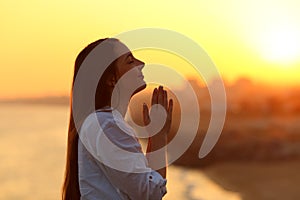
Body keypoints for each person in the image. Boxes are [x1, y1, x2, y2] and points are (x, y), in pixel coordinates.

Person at [62, 38, 173, 200]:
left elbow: (142, 183)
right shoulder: (106, 125)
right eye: (130, 61)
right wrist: (158, 137)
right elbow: (150, 193)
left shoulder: (101, 122)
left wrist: (155, 136)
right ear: (111, 79)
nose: (141, 63)